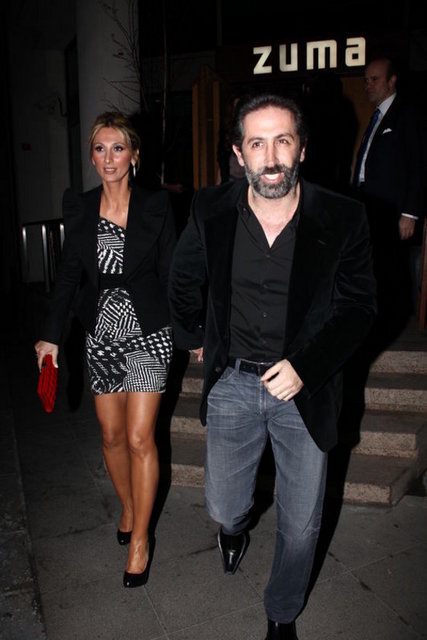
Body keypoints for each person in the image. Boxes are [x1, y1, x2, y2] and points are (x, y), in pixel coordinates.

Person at [168, 93, 376, 640]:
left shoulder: (343, 216)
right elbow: (184, 277)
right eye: (257, 144)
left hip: (304, 388)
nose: (271, 157)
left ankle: (282, 613)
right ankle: (234, 529)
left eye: (282, 140)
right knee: (224, 504)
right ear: (239, 154)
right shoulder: (210, 208)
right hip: (233, 381)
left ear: (301, 148)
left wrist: (307, 366)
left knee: (301, 523)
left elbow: (359, 308)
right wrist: (193, 335)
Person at [35, 111, 176, 588]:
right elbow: (68, 277)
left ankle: (141, 540)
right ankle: (130, 506)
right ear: (92, 157)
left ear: (134, 155)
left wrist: (193, 330)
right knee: (112, 436)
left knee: (139, 438)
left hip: (149, 330)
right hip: (102, 332)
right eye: (100, 148)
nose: (109, 158)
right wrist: (52, 334)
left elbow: (172, 273)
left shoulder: (156, 206)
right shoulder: (79, 208)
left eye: (118, 148)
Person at [352, 56, 424, 351]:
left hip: (393, 210)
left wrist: (410, 213)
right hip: (368, 206)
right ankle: (376, 320)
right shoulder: (376, 117)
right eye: (366, 80)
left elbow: (419, 165)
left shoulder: (407, 115)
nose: (368, 85)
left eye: (375, 79)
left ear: (392, 81)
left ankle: (394, 323)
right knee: (373, 265)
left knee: (392, 268)